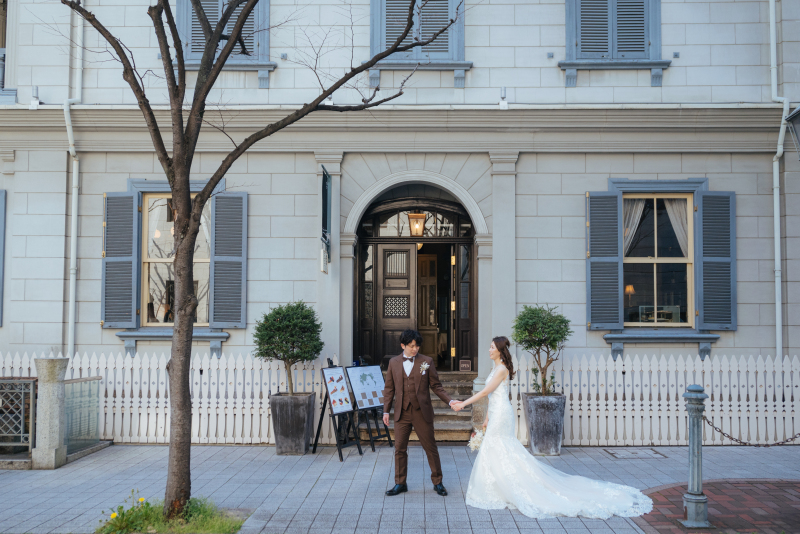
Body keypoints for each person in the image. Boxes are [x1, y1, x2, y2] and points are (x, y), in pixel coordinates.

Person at [451, 336, 653, 519]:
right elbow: (492, 396)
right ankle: (497, 487)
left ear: (500, 351)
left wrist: (463, 403)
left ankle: (507, 488)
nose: (489, 350)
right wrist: (486, 417)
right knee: (498, 449)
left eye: (492, 347)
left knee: (501, 447)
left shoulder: (502, 368)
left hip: (502, 415)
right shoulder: (495, 369)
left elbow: (486, 391)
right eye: (489, 346)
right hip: (496, 413)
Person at [383, 329, 458, 496]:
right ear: (403, 345)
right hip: (402, 413)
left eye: (417, 346)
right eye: (411, 346)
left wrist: (450, 401)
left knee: (430, 448)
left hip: (421, 412)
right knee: (399, 449)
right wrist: (386, 411)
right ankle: (400, 483)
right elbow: (389, 388)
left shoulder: (427, 361)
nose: (415, 349)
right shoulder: (394, 363)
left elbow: (436, 386)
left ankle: (438, 482)